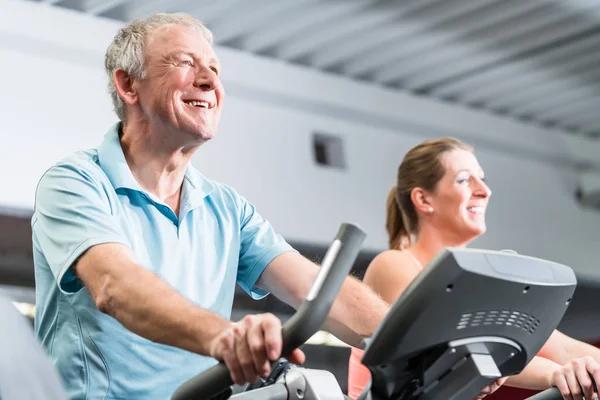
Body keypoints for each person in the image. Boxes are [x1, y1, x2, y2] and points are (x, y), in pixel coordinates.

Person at [31, 13, 390, 400]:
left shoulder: (226, 207)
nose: (210, 81)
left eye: (214, 69)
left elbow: (316, 290)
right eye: (186, 62)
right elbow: (114, 286)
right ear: (128, 84)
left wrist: (416, 342)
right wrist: (226, 337)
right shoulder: (76, 182)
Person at [347, 137, 600, 400]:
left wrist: (576, 367)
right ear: (423, 199)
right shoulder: (394, 265)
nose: (484, 191)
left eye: (482, 179)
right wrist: (555, 374)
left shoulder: (481, 280)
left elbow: (564, 350)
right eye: (464, 180)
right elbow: (453, 352)